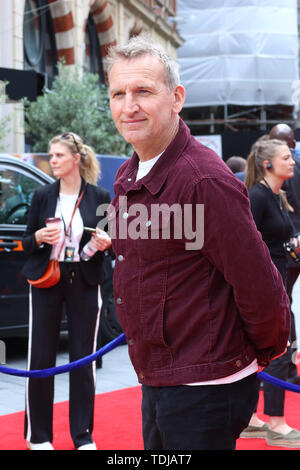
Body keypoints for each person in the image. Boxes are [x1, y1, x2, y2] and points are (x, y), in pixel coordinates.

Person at [105, 34, 290, 450]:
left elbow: (260, 284)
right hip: (159, 377)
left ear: (176, 97)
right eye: (118, 93)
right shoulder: (129, 175)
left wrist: (253, 355)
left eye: (143, 92)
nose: (128, 106)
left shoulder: (204, 180)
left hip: (204, 387)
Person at [22, 132, 111, 451]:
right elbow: (25, 242)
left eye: (59, 155)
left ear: (77, 159)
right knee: (40, 358)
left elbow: (111, 241)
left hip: (85, 280)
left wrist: (104, 243)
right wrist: (40, 238)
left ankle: (83, 435)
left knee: (84, 360)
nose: (53, 160)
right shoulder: (42, 195)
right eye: (51, 155)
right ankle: (39, 436)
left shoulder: (100, 196)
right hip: (47, 279)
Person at [244, 138, 300, 447]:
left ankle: (252, 418)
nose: (292, 162)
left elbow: (277, 243)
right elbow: (246, 244)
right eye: (285, 157)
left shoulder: (277, 196)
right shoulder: (258, 197)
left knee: (268, 352)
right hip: (267, 287)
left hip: (279, 281)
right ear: (268, 164)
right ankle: (276, 423)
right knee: (280, 349)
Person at [269, 123, 300, 385]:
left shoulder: (286, 174)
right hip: (287, 248)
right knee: (284, 306)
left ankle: (285, 370)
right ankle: (285, 369)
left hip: (287, 249)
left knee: (283, 307)